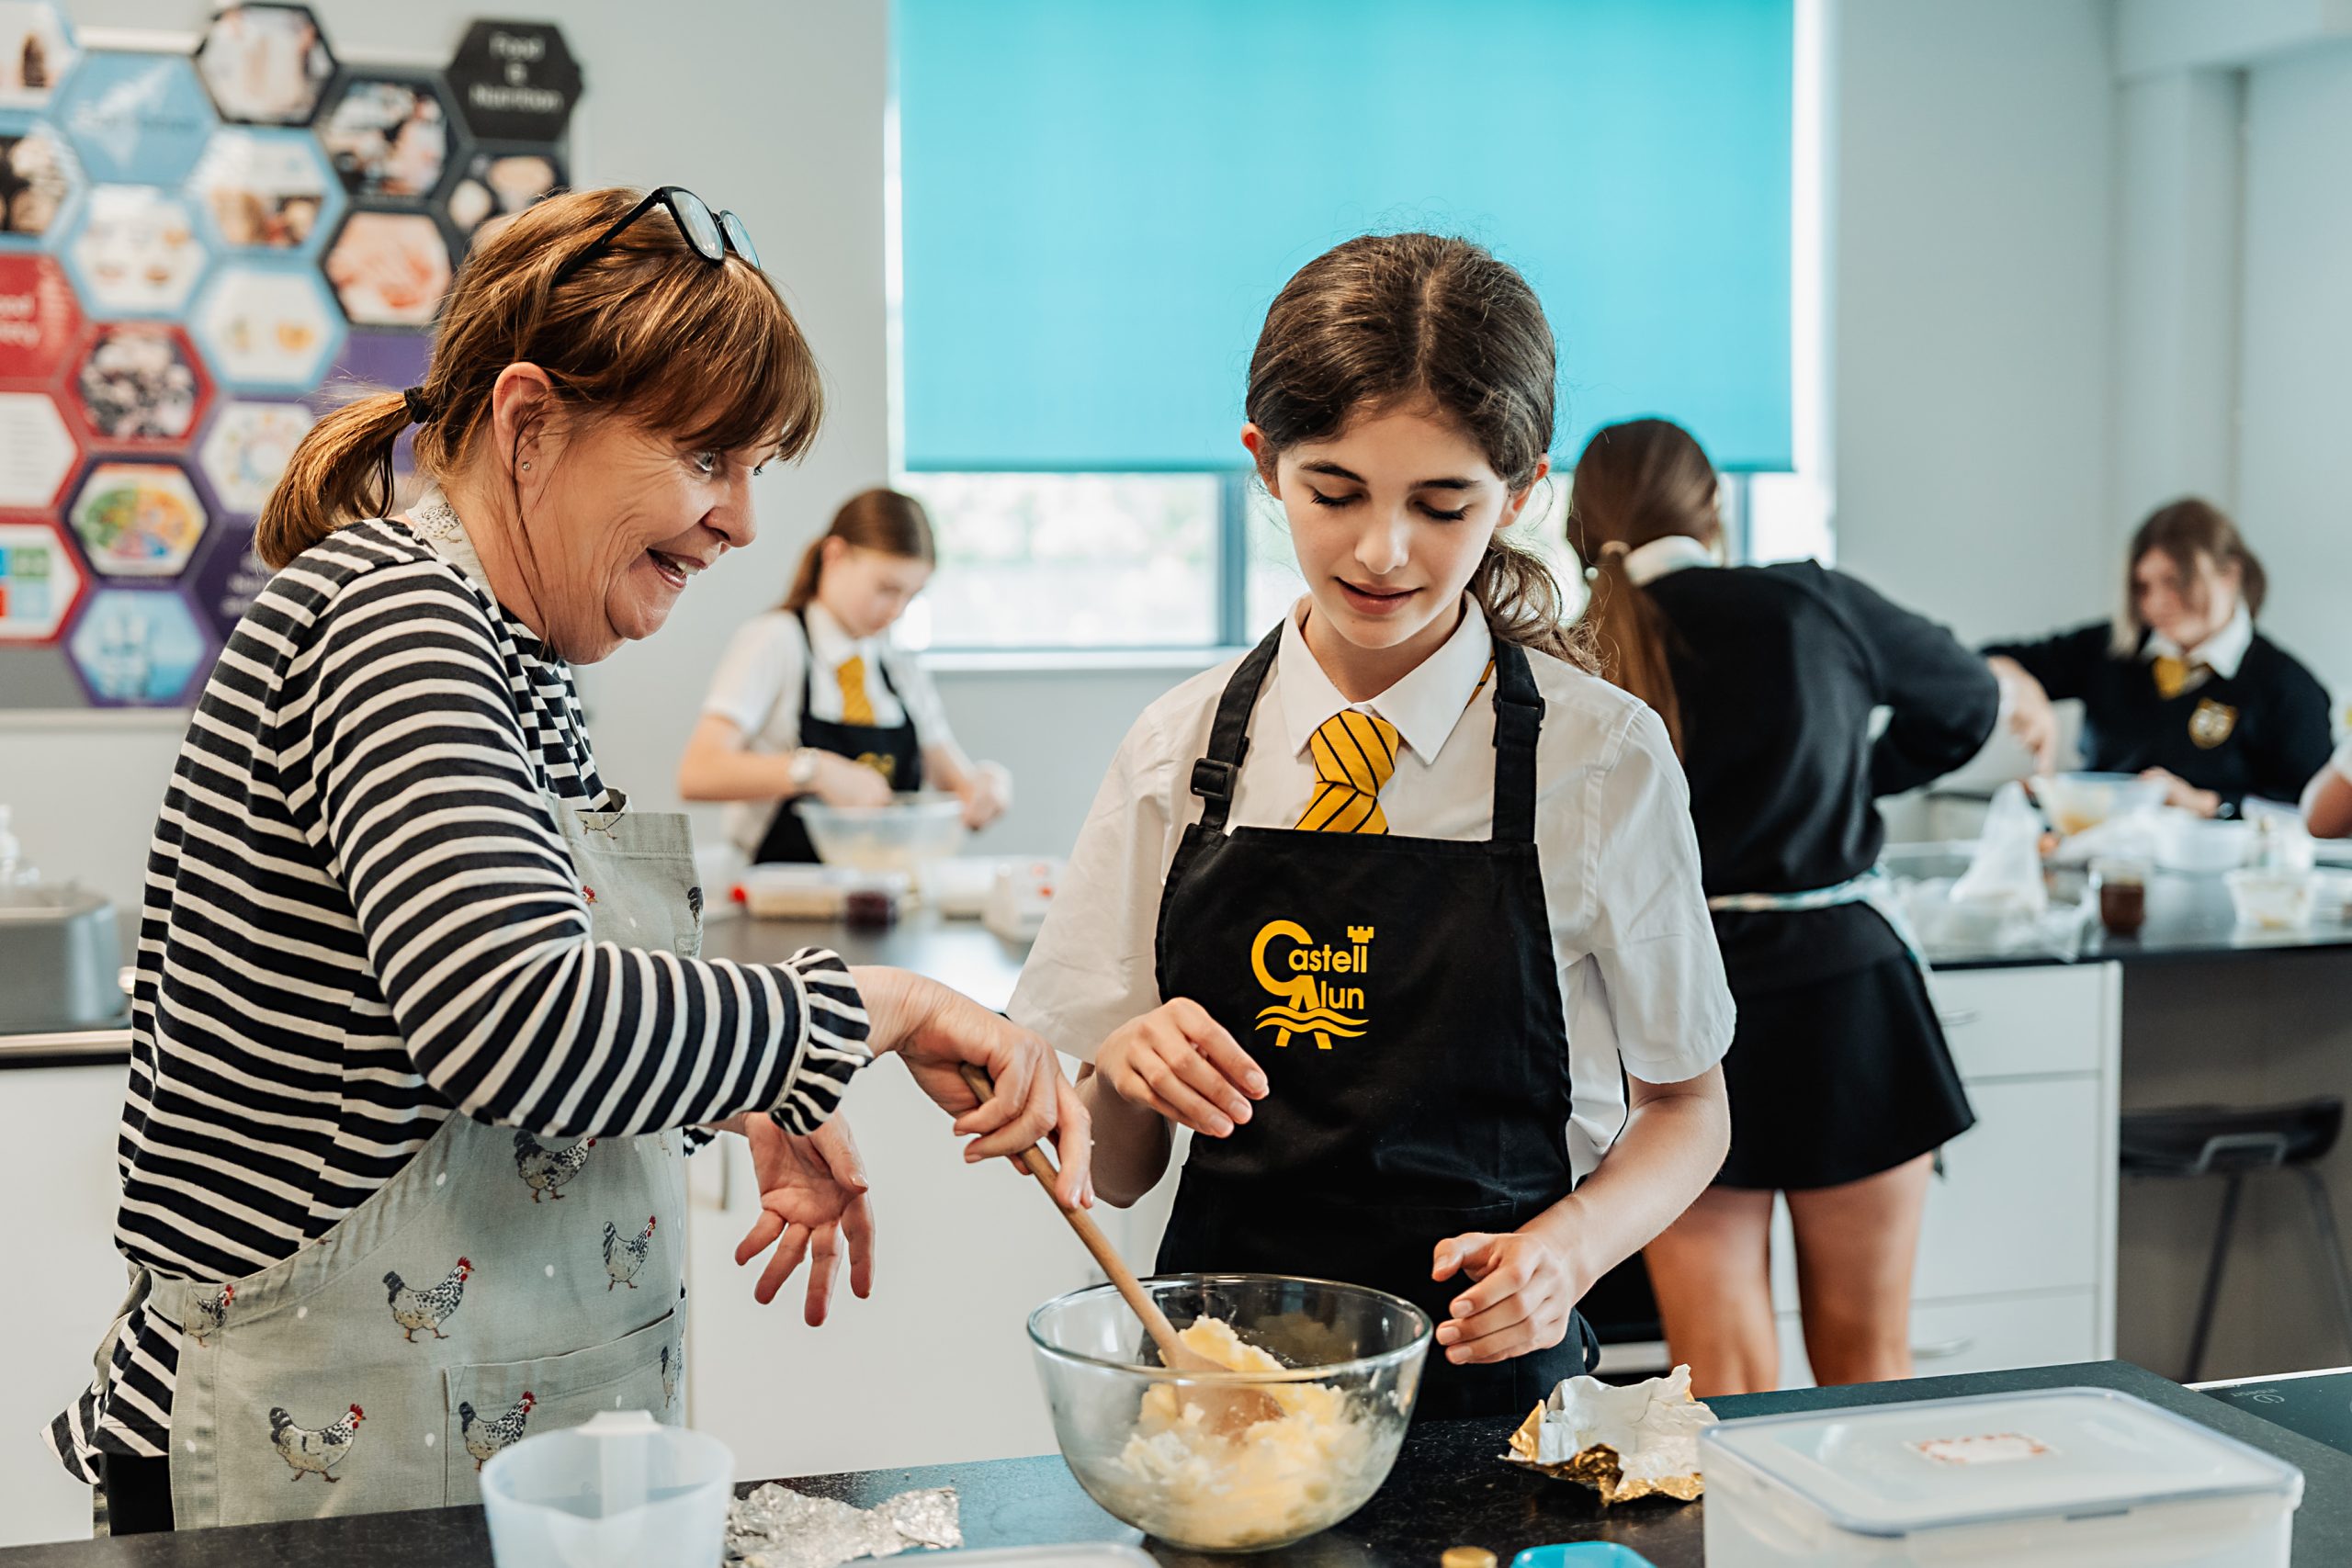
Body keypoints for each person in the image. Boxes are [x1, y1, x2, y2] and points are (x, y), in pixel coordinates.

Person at [43, 186, 1089, 1535]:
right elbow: (519, 1015)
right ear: (530, 424)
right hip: (296, 1468)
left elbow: (502, 1007)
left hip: (437, 1446)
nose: (746, 521)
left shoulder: (512, 652)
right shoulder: (396, 619)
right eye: (711, 456)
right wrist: (869, 1009)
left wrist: (740, 1086)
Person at [1010, 234, 1735, 1421]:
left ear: (1522, 492)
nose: (1381, 550)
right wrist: (1121, 1071)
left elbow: (1689, 1105)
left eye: (1442, 504)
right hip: (1223, 1400)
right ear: (1265, 462)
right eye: (1333, 491)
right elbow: (1117, 1164)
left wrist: (1569, 1248)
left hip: (1495, 1393)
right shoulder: (1177, 750)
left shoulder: (1599, 759)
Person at [1566, 418, 1998, 1396]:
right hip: (1847, 997)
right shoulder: (1810, 600)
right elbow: (1967, 698)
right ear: (1711, 508)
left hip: (1675, 1015)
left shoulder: (1580, 647)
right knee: (1871, 1364)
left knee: (1719, 1377)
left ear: (1579, 527)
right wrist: (1857, 779)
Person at [678, 487, 1009, 862]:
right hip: (783, 894)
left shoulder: (899, 667)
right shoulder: (775, 641)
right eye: (886, 589)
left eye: (911, 596)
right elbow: (698, 772)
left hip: (877, 893)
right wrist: (815, 770)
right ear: (834, 556)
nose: (897, 611)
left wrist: (988, 785)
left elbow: (956, 782)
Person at [1987, 499, 2332, 818]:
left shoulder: (2288, 687)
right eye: (2143, 587)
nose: (2157, 603)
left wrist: (2208, 804)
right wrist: (2017, 688)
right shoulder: (2109, 648)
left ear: (2229, 574)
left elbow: (2315, 812)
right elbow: (1985, 662)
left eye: (2174, 582)